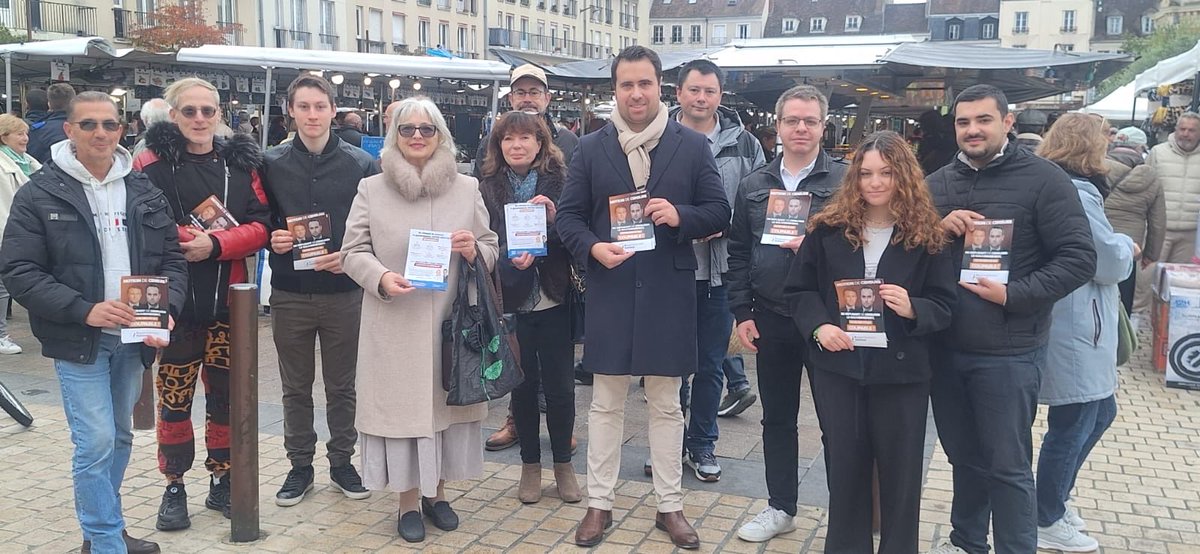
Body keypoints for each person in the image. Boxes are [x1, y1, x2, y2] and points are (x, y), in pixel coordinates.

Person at [556, 45, 730, 550]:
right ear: (616, 89)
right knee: (605, 403)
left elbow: (719, 211)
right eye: (627, 84)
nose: (636, 93)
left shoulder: (691, 146)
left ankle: (670, 506)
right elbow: (567, 217)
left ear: (661, 88)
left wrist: (681, 216)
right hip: (611, 289)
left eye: (645, 83)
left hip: (669, 293)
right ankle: (599, 503)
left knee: (666, 403)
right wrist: (592, 248)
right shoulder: (590, 148)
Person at [0, 90, 188, 554]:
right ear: (69, 130)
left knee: (120, 435)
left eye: (109, 124)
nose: (100, 133)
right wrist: (84, 309)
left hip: (134, 336)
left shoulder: (142, 187)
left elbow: (172, 259)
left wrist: (169, 309)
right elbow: (20, 271)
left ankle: (104, 529)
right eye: (88, 124)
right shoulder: (40, 191)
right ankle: (106, 543)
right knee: (96, 440)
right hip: (78, 338)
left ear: (121, 130)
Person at [925, 84, 1096, 554]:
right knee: (964, 459)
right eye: (963, 122)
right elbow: (911, 254)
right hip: (946, 346)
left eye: (983, 120)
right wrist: (937, 231)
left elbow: (1079, 258)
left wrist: (1013, 294)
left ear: (1007, 123)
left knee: (1008, 466)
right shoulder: (937, 183)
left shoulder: (1045, 179)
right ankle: (965, 543)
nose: (973, 130)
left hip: (1010, 351)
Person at [785, 129, 956, 554]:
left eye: (885, 173)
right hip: (839, 369)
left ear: (904, 177)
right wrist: (819, 328)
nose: (875, 182)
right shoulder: (828, 229)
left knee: (901, 475)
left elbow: (946, 305)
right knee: (845, 470)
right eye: (865, 174)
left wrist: (914, 307)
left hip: (901, 374)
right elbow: (799, 291)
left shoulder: (928, 235)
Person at [341, 96, 498, 543]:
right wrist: (382, 279)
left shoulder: (467, 188)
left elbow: (490, 247)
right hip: (394, 324)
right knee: (404, 417)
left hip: (453, 324)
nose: (416, 137)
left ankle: (439, 495)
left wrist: (473, 249)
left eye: (426, 130)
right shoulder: (371, 189)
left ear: (440, 136)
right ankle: (407, 501)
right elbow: (351, 253)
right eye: (407, 130)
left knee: (445, 412)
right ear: (394, 136)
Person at [134, 77, 272, 530]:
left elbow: (261, 226)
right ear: (172, 115)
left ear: (220, 114)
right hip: (173, 307)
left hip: (228, 305)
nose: (199, 119)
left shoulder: (239, 162)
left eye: (207, 111)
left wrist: (214, 243)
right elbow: (140, 224)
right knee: (173, 402)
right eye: (189, 111)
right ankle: (174, 485)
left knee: (228, 402)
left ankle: (223, 480)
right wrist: (185, 241)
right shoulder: (149, 163)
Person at [727, 84, 847, 543]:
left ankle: (846, 511)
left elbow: (867, 245)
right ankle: (781, 507)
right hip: (772, 315)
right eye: (792, 120)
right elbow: (737, 252)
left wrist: (821, 248)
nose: (801, 128)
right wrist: (742, 311)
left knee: (837, 420)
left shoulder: (845, 180)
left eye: (810, 121)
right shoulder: (755, 184)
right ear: (777, 126)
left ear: (822, 126)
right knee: (777, 419)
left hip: (827, 319)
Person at [262, 74, 379, 508]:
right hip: (290, 291)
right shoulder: (269, 162)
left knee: (343, 385)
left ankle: (342, 461)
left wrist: (349, 255)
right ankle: (299, 466)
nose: (312, 115)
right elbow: (260, 218)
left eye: (320, 106)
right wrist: (270, 236)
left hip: (343, 291)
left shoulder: (361, 165)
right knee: (295, 385)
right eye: (304, 106)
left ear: (333, 109)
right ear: (290, 111)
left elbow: (374, 226)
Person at [1033, 113, 1135, 552]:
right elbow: (1105, 261)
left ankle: (1053, 502)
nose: (1109, 146)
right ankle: (1047, 515)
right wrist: (1126, 247)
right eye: (1104, 139)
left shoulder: (1056, 183)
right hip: (1077, 321)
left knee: (1098, 412)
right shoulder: (1077, 191)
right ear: (1087, 146)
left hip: (1078, 319)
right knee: (1073, 421)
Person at [661, 58, 766, 481]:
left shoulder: (744, 144)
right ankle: (667, 445)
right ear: (679, 93)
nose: (701, 98)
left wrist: (720, 227)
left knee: (708, 364)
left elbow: (759, 201)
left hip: (720, 272)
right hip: (671, 267)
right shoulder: (659, 136)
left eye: (710, 91)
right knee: (668, 366)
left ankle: (702, 444)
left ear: (720, 96)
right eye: (694, 90)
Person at [477, 111, 581, 505]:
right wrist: (507, 256)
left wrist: (553, 223)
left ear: (541, 144)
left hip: (554, 296)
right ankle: (530, 466)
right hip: (511, 300)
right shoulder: (485, 187)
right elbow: (481, 241)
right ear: (498, 146)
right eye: (508, 139)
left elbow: (576, 234)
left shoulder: (563, 183)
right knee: (521, 386)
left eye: (525, 138)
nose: (516, 145)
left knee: (560, 388)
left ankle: (564, 465)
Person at [1104, 126, 1163, 314]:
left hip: (1098, 239)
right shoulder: (1151, 176)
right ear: (1140, 148)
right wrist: (1150, 255)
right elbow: (1158, 220)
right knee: (1124, 297)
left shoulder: (1097, 167)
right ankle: (1122, 338)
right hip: (1131, 247)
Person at [0, 114, 42, 354]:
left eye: (26, 133)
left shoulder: (25, 161)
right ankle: (1, 335)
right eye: (19, 133)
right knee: (3, 288)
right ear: (4, 137)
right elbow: (4, 206)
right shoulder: (3, 165)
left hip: (23, 233)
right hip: (7, 234)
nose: (25, 138)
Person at [1145, 113, 1200, 265]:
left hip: (1191, 235)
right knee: (1146, 282)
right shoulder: (1158, 153)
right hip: (1158, 232)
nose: (1185, 134)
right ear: (1175, 129)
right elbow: (1145, 187)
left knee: (1180, 285)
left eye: (1191, 130)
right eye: (1182, 129)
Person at [28, 82, 76, 163]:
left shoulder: (38, 130)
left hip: (52, 173)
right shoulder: (87, 126)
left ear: (49, 104)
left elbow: (31, 159)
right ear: (74, 102)